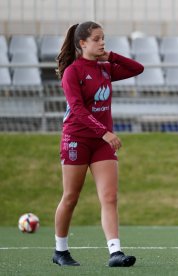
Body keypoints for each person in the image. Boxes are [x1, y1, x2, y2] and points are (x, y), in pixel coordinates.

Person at [53, 21, 144, 267]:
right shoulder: (73, 71)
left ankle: (115, 252)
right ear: (82, 43)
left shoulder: (106, 68)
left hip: (101, 143)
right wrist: (105, 132)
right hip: (77, 140)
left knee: (110, 197)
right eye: (97, 39)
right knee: (71, 196)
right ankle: (60, 251)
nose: (102, 42)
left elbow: (138, 68)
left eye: (103, 38)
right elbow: (78, 110)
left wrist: (111, 56)